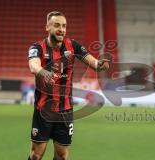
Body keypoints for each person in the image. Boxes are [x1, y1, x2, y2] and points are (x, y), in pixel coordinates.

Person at [28, 11, 109, 160]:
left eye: (64, 26)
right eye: (57, 25)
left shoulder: (73, 45)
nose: (61, 29)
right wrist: (45, 73)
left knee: (62, 156)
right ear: (47, 27)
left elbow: (94, 63)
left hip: (65, 112)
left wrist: (100, 65)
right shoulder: (37, 47)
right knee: (36, 155)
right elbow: (33, 66)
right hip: (43, 110)